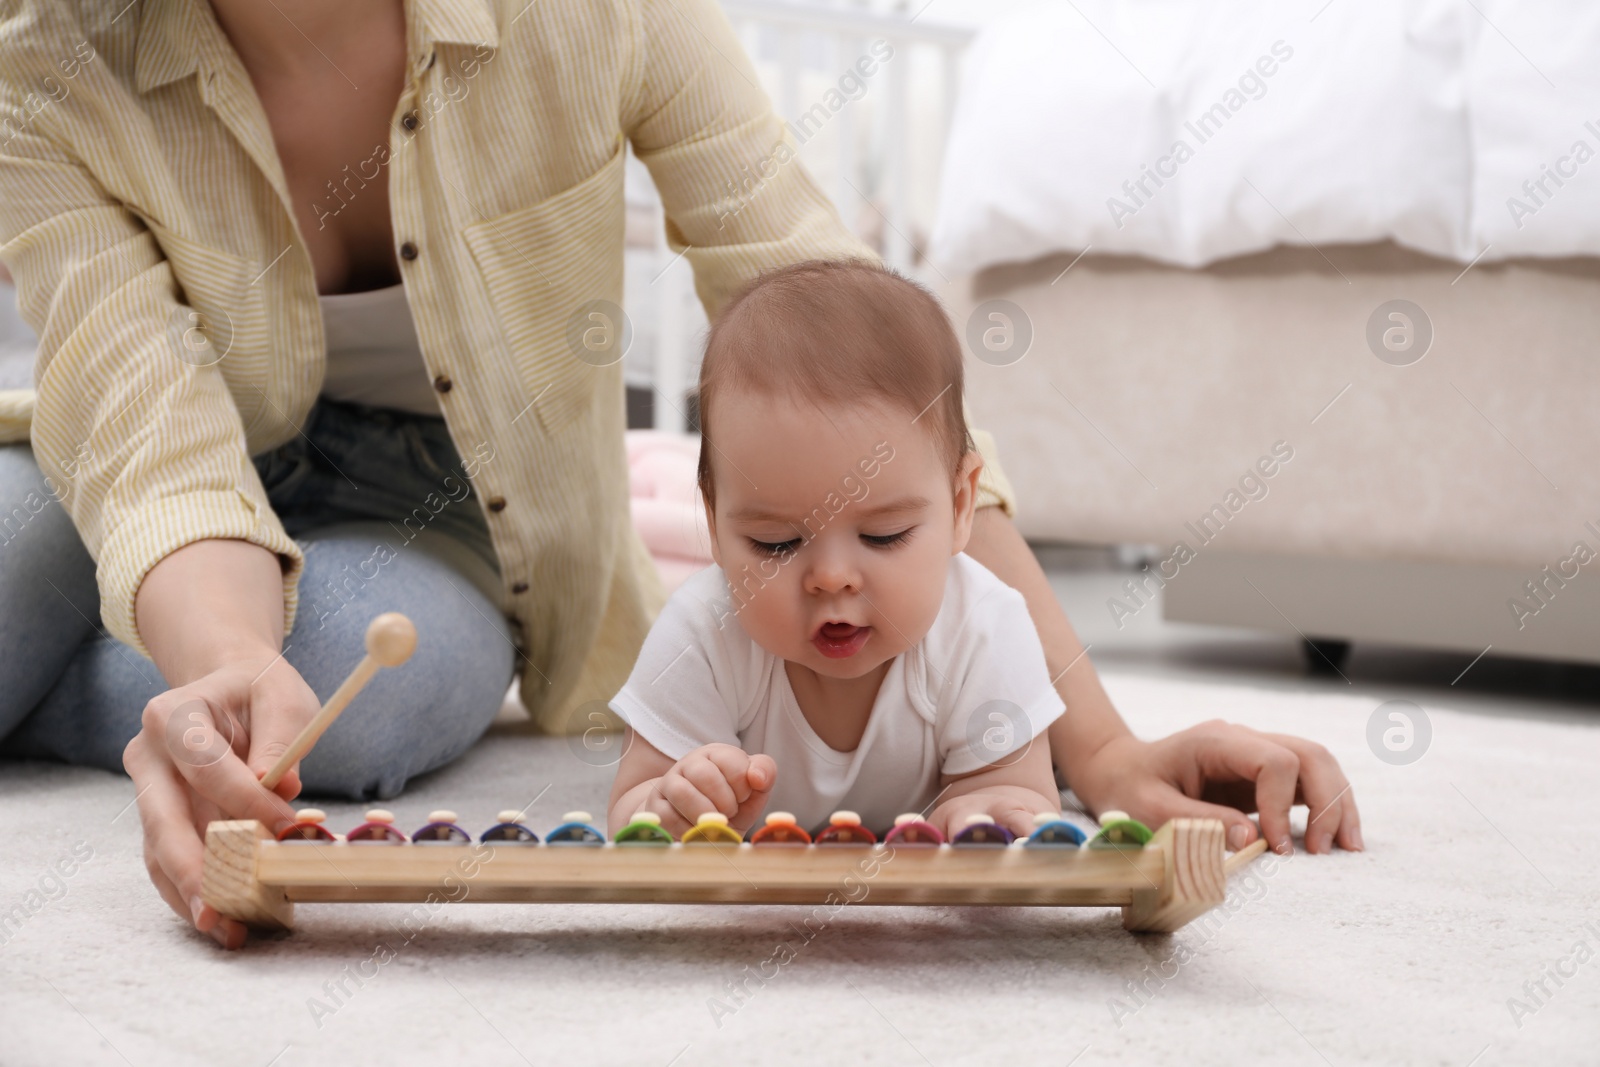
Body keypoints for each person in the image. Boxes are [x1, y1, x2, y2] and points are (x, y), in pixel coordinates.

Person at [0, 0, 1359, 950]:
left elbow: (861, 370)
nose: (831, 571)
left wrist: (1103, 747)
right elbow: (142, 432)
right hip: (130, 474)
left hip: (426, 506)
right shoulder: (41, 57)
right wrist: (220, 646)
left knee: (352, 688)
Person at [608, 261, 1066, 838]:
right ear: (714, 522)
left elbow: (1020, 789)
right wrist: (668, 803)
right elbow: (631, 807)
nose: (831, 578)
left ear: (959, 505)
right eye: (775, 542)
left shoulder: (985, 627)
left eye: (883, 535)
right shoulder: (702, 632)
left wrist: (988, 807)